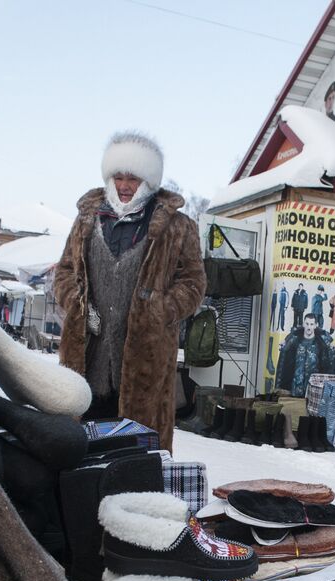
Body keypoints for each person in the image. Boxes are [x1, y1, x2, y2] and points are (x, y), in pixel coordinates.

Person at [55, 131, 206, 452]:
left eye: (133, 178)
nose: (124, 185)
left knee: (135, 453)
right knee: (80, 451)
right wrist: (78, 305)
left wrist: (160, 309)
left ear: (149, 181)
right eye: (119, 177)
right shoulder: (86, 220)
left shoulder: (179, 227)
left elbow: (194, 283)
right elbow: (64, 272)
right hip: (86, 359)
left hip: (145, 363)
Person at [276, 311, 335, 397]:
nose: (309, 327)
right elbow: (283, 365)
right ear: (303, 324)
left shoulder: (321, 345)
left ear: (315, 326)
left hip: (313, 391)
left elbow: (329, 367)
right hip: (295, 389)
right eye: (307, 324)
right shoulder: (294, 342)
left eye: (311, 324)